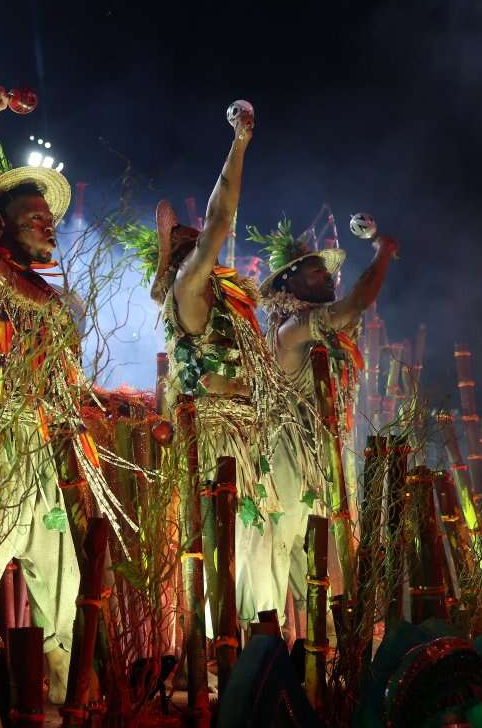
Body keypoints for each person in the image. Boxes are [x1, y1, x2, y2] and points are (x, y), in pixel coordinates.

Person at [0, 85, 135, 725]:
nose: (49, 225)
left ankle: (59, 677)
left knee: (64, 574)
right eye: (33, 216)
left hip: (41, 448)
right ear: (1, 227)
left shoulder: (57, 304)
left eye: (50, 217)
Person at [148, 104, 311, 640]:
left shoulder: (225, 305)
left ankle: (257, 654)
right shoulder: (188, 292)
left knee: (259, 546)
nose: (210, 249)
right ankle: (227, 661)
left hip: (248, 435)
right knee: (230, 546)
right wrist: (239, 145)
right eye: (198, 245)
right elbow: (221, 220)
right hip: (216, 439)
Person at [249, 213, 398, 634]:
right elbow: (354, 305)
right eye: (316, 273)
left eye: (328, 273)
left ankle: (322, 653)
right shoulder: (291, 331)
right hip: (286, 460)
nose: (328, 279)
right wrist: (382, 254)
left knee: (320, 562)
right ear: (287, 285)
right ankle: (262, 644)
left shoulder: (322, 335)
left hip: (322, 460)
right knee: (278, 552)